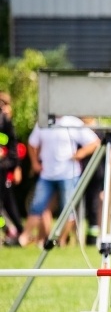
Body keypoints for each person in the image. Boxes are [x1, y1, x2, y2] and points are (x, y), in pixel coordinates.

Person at [18, 116, 100, 247]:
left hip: (68, 174)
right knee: (37, 206)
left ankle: (59, 241)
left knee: (67, 209)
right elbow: (32, 143)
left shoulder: (73, 122)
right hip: (47, 174)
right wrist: (34, 163)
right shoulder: (43, 122)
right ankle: (23, 239)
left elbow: (95, 142)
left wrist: (81, 153)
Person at [0, 92, 20, 245]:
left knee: (9, 204)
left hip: (3, 168)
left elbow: (13, 148)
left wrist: (16, 167)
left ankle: (14, 230)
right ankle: (10, 230)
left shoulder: (6, 122)